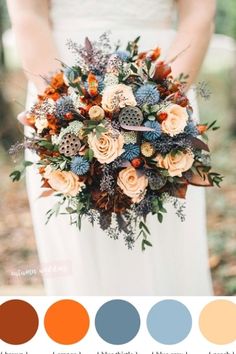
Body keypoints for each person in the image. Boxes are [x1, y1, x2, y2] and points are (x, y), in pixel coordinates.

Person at [7, 0, 216, 295]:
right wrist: (63, 110)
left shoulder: (165, 101)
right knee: (78, 252)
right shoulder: (60, 105)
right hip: (58, 83)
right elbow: (29, 13)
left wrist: (160, 104)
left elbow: (199, 13)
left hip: (165, 84)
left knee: (167, 246)